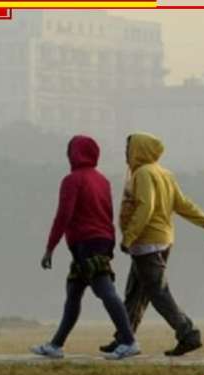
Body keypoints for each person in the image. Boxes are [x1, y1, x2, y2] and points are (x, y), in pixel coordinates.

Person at [100, 132, 204, 357]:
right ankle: (123, 337)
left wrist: (128, 237)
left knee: (158, 292)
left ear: (139, 150)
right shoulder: (164, 173)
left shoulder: (143, 174)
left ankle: (188, 333)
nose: (125, 154)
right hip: (162, 240)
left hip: (147, 242)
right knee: (136, 293)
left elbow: (145, 207)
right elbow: (183, 204)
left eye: (129, 149)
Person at [31, 134, 140, 360]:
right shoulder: (103, 180)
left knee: (105, 291)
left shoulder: (72, 181)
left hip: (86, 244)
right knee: (73, 293)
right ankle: (55, 345)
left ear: (74, 153)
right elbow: (108, 215)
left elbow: (63, 215)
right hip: (99, 241)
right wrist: (110, 242)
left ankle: (129, 341)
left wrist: (50, 247)